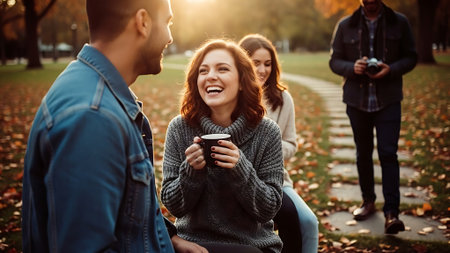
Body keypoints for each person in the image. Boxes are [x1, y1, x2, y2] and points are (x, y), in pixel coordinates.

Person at [21, 0, 208, 252]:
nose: (170, 37)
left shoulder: (97, 92)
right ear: (143, 22)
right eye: (168, 22)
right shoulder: (92, 117)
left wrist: (168, 240)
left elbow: (124, 210)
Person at [160, 39, 284, 253]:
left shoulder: (267, 132)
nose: (210, 76)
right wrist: (191, 172)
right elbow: (174, 207)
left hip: (251, 246)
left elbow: (269, 209)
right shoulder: (180, 128)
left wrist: (240, 168)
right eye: (203, 71)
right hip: (193, 244)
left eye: (223, 69)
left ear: (243, 81)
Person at [329, 0, 417, 234]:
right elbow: (334, 61)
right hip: (357, 102)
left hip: (388, 100)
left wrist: (392, 69)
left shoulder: (399, 22)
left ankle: (392, 213)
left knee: (389, 154)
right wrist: (352, 67)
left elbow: (411, 57)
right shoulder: (345, 24)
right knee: (363, 153)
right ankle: (368, 202)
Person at [239, 34, 318, 253]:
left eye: (267, 64)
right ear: (242, 63)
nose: (263, 70)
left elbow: (291, 144)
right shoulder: (232, 96)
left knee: (308, 222)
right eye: (256, 63)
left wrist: (267, 148)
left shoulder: (283, 100)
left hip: (275, 179)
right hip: (237, 181)